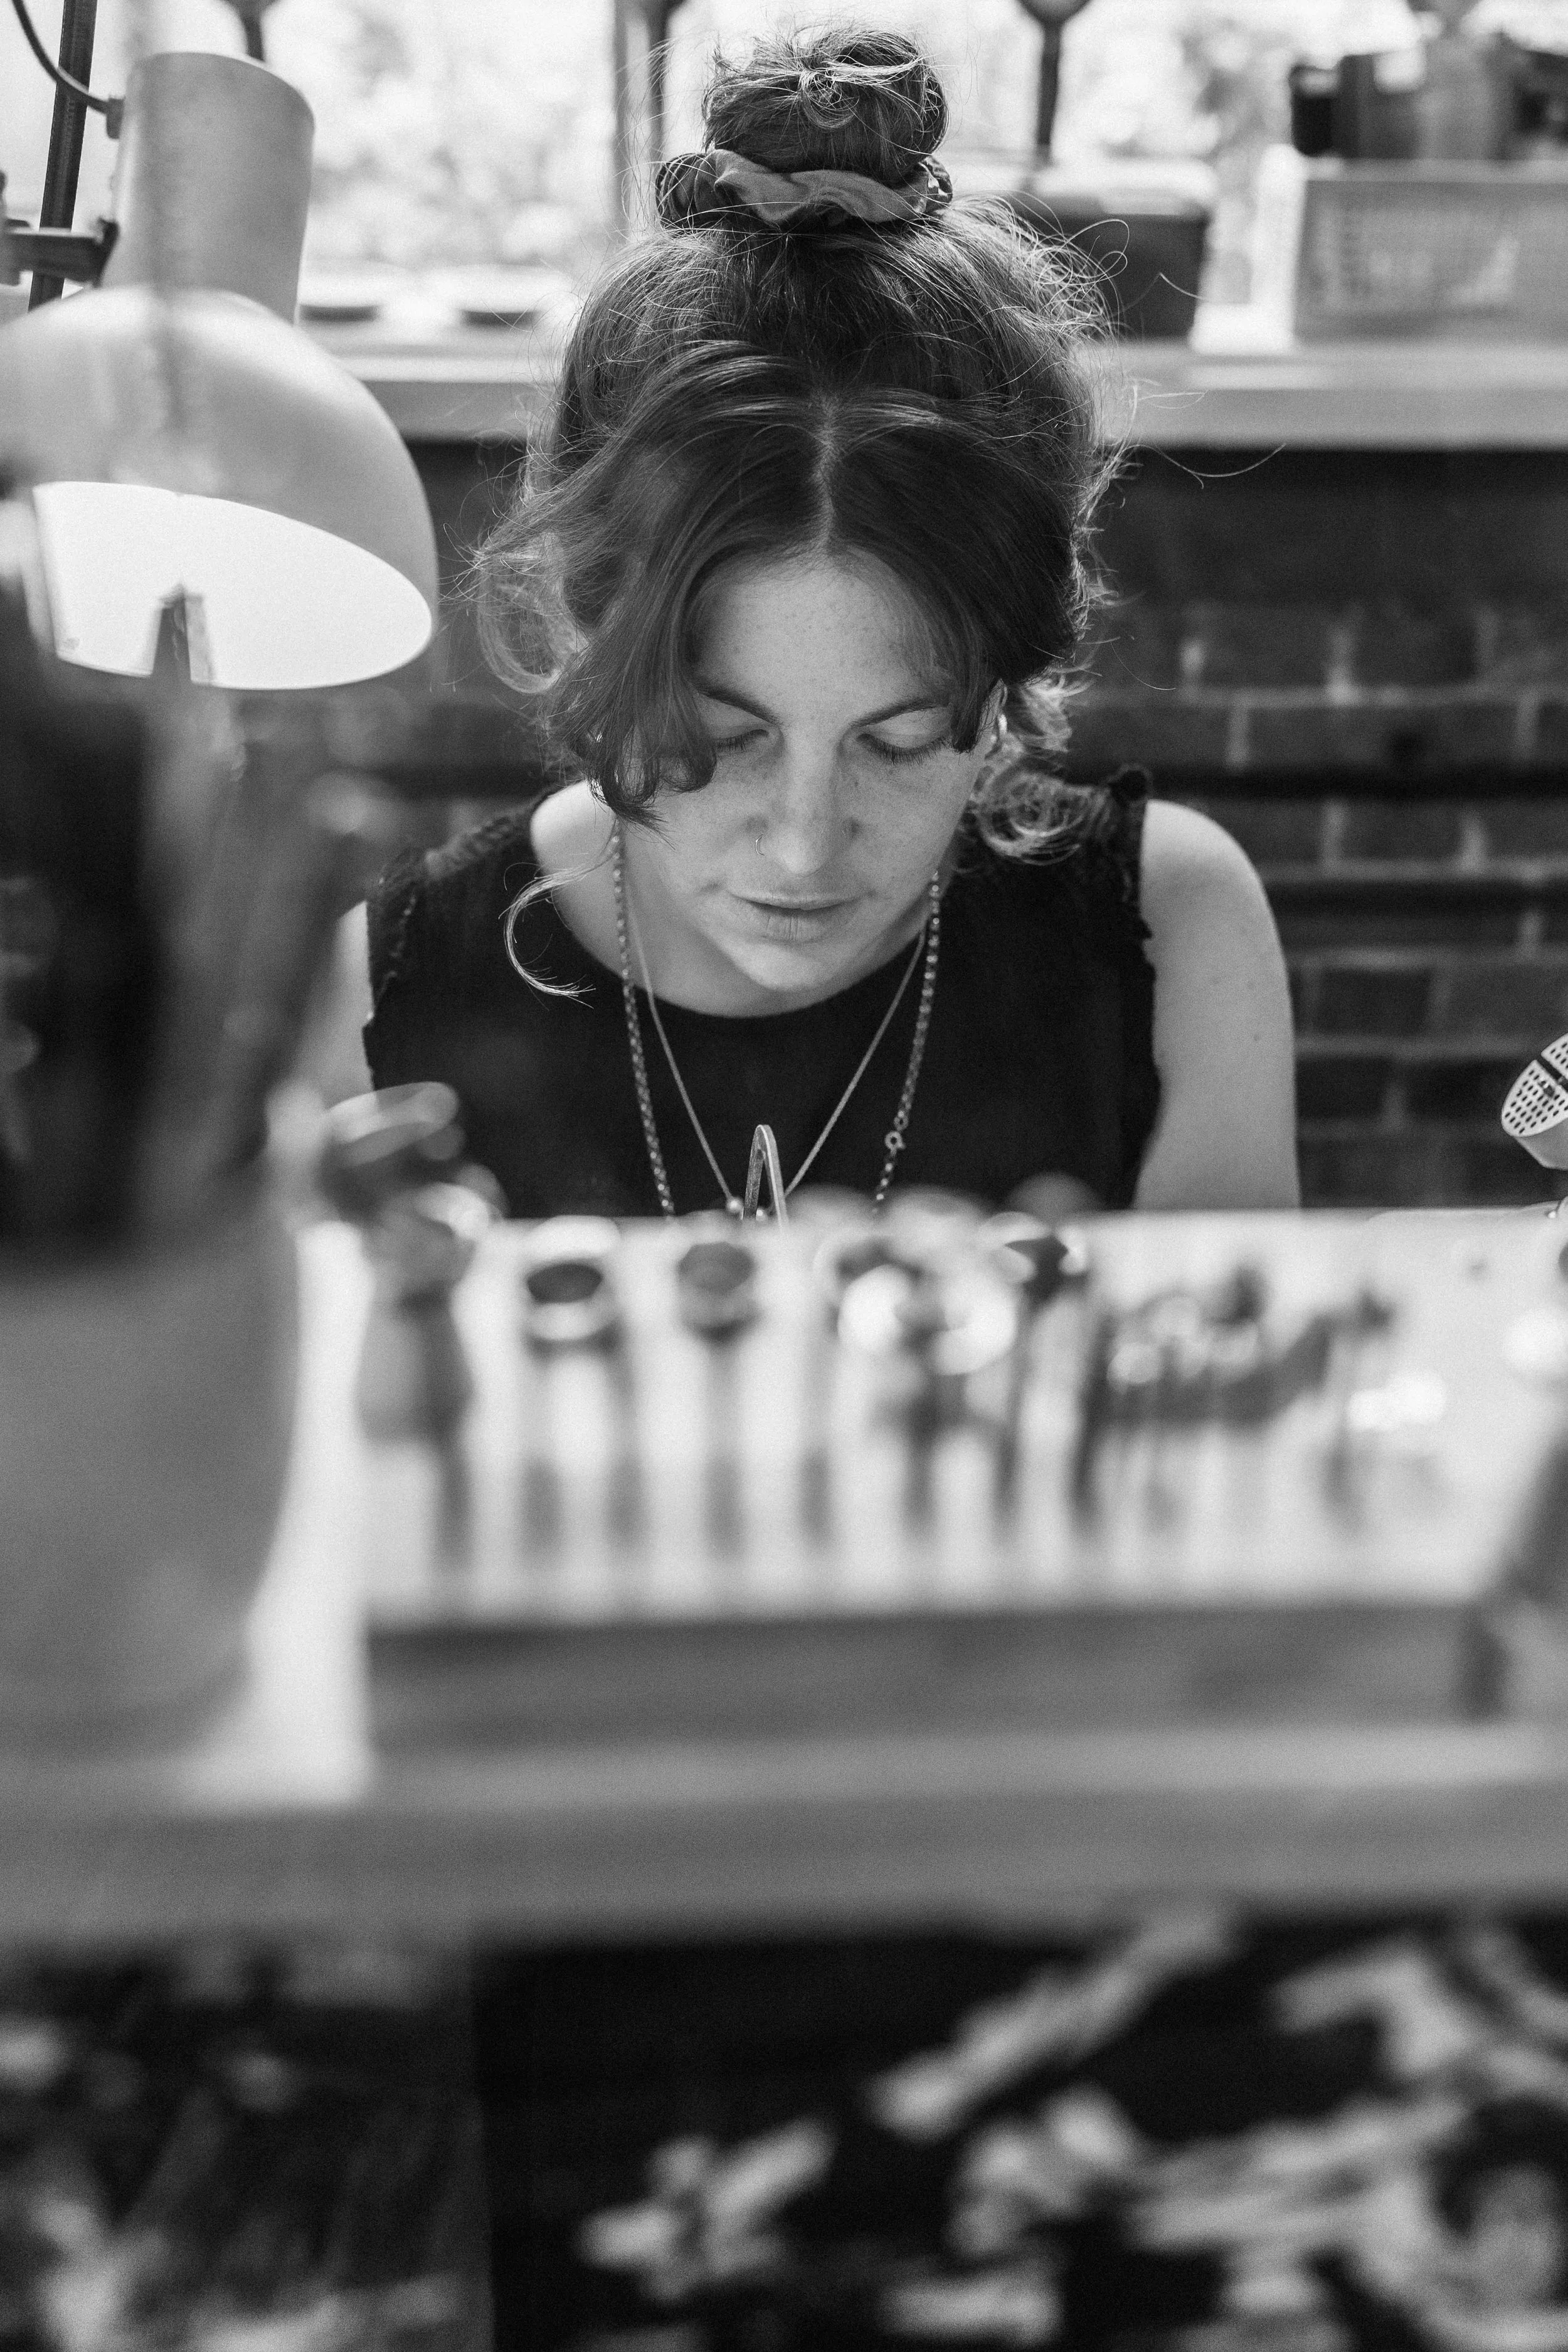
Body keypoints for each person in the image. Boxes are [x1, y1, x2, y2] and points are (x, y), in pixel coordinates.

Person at [321, 25, 1297, 1223]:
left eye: (897, 742)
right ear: (586, 640)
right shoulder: (373, 998)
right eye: (722, 737)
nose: (802, 848)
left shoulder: (1172, 936)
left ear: (1005, 681)